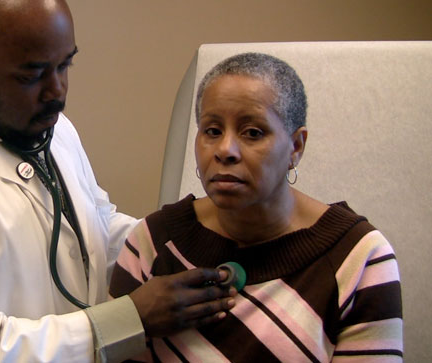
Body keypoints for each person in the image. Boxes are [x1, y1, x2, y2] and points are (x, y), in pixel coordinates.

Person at [0, 1, 238, 362]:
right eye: (32, 74)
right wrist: (132, 318)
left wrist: (176, 245)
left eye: (65, 65)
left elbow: (95, 228)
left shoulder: (46, 125)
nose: (58, 92)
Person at [110, 52, 403, 362]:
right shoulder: (152, 243)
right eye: (212, 131)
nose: (225, 150)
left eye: (253, 133)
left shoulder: (358, 259)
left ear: (296, 146)